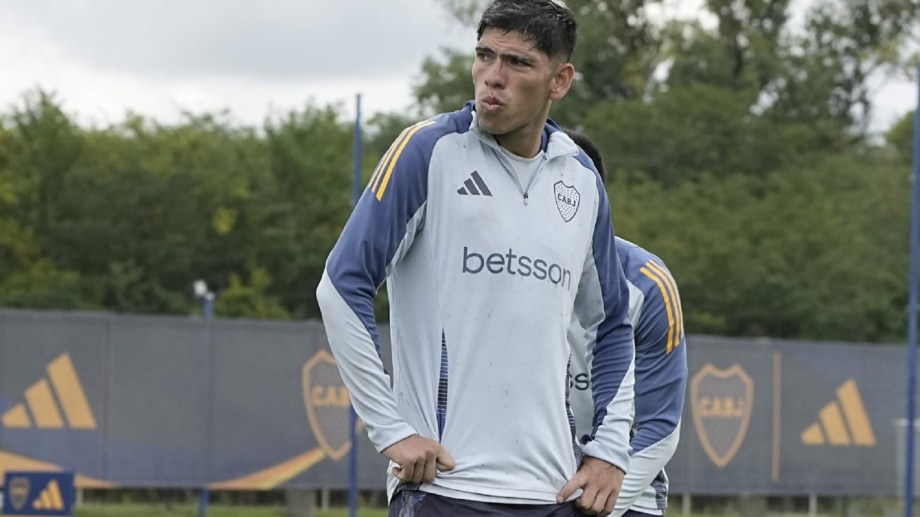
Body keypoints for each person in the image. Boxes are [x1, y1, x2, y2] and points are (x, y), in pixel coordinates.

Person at [315, 1, 636, 515]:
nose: (493, 77)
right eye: (485, 56)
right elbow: (340, 285)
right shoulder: (428, 151)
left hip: (552, 494)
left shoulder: (581, 177)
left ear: (559, 81)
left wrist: (610, 450)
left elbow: (612, 323)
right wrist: (390, 430)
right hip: (446, 489)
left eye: (518, 63)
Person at [564, 128, 688, 517]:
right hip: (518, 487)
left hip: (623, 498)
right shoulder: (494, 270)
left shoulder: (647, 283)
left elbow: (660, 428)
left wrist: (599, 502)